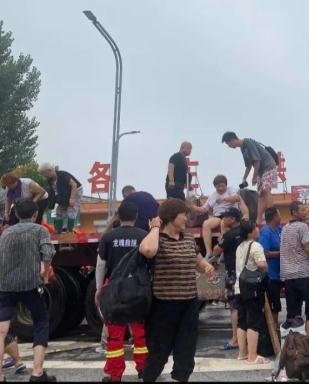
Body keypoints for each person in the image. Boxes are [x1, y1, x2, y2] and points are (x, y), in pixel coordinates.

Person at [139, 199, 215, 382]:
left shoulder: (188, 239)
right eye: (183, 215)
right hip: (164, 306)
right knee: (159, 351)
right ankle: (148, 378)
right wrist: (155, 228)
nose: (186, 219)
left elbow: (197, 260)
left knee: (186, 351)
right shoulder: (157, 239)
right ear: (171, 216)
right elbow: (147, 250)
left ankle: (181, 378)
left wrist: (206, 266)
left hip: (189, 304)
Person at [0, 199, 56, 382]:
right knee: (41, 321)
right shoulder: (40, 230)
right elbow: (48, 254)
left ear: (16, 214)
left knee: (1, 330)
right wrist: (45, 275)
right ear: (35, 214)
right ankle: (37, 372)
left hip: (5, 286)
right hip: (31, 285)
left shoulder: (6, 233)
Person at [95, 201, 149, 382]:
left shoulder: (108, 237)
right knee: (140, 334)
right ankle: (144, 371)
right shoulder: (144, 236)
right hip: (137, 290)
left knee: (115, 336)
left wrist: (99, 289)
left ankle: (115, 375)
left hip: (114, 291)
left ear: (118, 216)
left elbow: (100, 265)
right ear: (136, 216)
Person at [280, 202, 309, 340]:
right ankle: (307, 344)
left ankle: (294, 346)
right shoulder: (303, 227)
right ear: (294, 212)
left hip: (289, 275)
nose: (305, 212)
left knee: (293, 313)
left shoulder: (285, 228)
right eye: (302, 210)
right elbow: (308, 248)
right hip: (305, 273)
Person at [222, 132, 278, 224]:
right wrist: (244, 178)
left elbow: (257, 161)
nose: (229, 146)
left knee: (266, 190)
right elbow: (248, 165)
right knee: (260, 195)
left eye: (229, 144)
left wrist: (254, 177)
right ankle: (258, 220)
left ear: (232, 140)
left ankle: (271, 217)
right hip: (260, 171)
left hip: (268, 167)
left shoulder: (247, 142)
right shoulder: (243, 148)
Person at [235, 221, 270, 365]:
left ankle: (242, 353)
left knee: (242, 321)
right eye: (255, 227)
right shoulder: (256, 246)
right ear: (250, 232)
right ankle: (252, 356)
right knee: (253, 321)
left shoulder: (239, 247)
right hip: (252, 289)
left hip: (239, 287)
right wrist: (265, 267)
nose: (258, 229)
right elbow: (262, 265)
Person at [213, 208, 243, 351]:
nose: (223, 220)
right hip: (247, 273)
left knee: (234, 307)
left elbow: (216, 251)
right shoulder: (246, 231)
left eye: (225, 217)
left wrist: (221, 239)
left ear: (233, 219)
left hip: (233, 274)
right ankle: (246, 337)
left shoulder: (229, 235)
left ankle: (235, 339)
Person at [194, 175, 240, 259]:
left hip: (230, 214)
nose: (220, 188)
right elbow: (204, 209)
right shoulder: (212, 196)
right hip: (218, 216)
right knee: (206, 224)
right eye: (218, 186)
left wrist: (224, 199)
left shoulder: (231, 190)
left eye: (222, 186)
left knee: (223, 223)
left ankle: (223, 250)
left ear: (226, 185)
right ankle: (209, 252)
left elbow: (237, 198)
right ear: (215, 186)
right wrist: (194, 208)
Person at [39, 163, 83, 233]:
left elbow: (74, 185)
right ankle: (58, 230)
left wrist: (72, 198)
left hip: (75, 190)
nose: (44, 176)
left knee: (71, 210)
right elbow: (54, 191)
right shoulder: (50, 180)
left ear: (49, 170)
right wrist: (52, 202)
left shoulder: (62, 175)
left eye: (44, 174)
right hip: (64, 194)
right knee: (59, 211)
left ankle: (69, 231)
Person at [258, 207, 282, 324]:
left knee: (277, 305)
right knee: (273, 306)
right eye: (279, 214)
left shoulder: (278, 229)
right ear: (274, 217)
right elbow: (263, 253)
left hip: (279, 274)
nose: (281, 217)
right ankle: (272, 330)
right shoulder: (266, 232)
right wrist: (280, 254)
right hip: (270, 275)